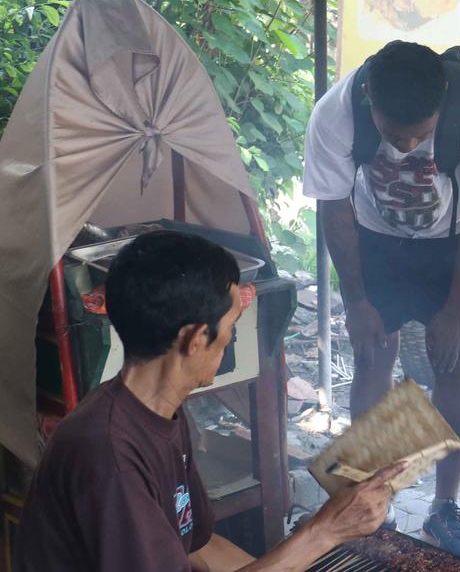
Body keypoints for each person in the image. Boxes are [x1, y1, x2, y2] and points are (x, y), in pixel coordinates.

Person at [15, 231, 405, 571]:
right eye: (231, 327)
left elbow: (199, 548)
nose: (230, 338)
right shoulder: (108, 455)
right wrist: (326, 531)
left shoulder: (159, 410)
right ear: (196, 338)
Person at [302, 40, 460, 556]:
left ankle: (445, 507)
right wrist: (355, 302)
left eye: (424, 134)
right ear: (372, 102)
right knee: (373, 353)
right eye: (399, 136)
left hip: (448, 243)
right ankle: (365, 499)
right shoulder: (335, 114)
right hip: (374, 239)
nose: (413, 145)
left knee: (450, 359)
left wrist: (454, 311)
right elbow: (334, 208)